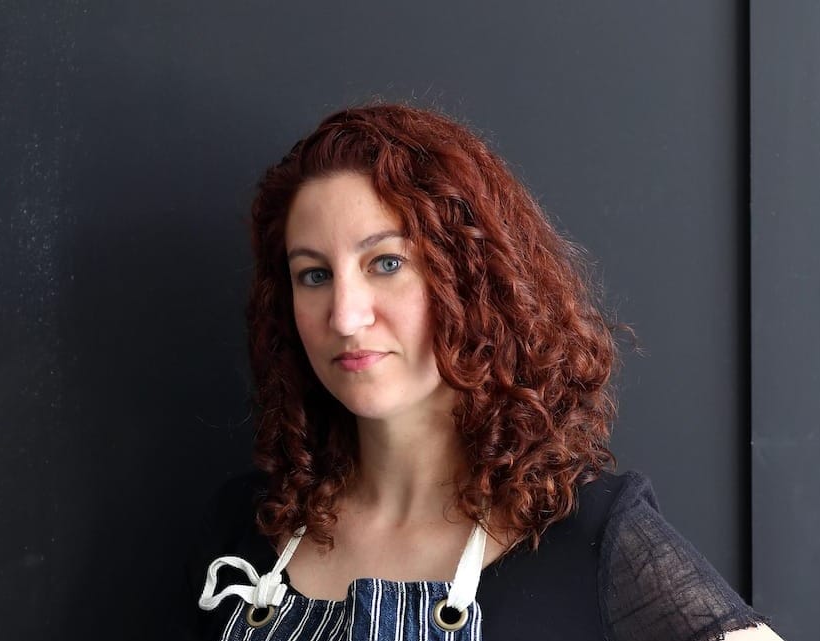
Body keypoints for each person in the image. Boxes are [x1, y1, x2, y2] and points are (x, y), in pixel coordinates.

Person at [178, 103, 784, 640]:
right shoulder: (246, 527)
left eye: (386, 263)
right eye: (314, 274)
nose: (345, 314)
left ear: (472, 280)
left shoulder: (587, 539)